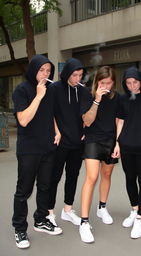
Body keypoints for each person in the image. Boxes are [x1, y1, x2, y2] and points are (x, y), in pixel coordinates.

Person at [12, 55, 62, 249]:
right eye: (42, 70)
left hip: (48, 147)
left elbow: (51, 115)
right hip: (29, 149)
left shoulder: (49, 91)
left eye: (48, 71)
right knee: (24, 191)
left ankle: (40, 220)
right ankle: (20, 228)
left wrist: (57, 131)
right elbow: (23, 119)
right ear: (33, 70)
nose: (45, 74)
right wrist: (38, 96)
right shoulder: (22, 90)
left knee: (45, 186)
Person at [114, 66, 141, 239]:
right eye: (128, 82)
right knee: (129, 179)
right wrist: (117, 143)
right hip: (126, 146)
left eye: (135, 82)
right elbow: (120, 121)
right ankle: (134, 209)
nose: (132, 86)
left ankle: (140, 218)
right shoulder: (123, 99)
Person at [79, 66, 119, 243]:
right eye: (102, 83)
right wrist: (96, 100)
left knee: (107, 174)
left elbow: (119, 120)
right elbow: (87, 121)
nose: (106, 86)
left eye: (109, 83)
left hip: (111, 140)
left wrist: (118, 142)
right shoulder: (88, 95)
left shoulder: (117, 98)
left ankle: (102, 207)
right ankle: (84, 222)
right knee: (92, 177)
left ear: (114, 83)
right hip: (93, 139)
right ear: (97, 82)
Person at [47, 58, 86, 227]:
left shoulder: (83, 91)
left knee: (73, 176)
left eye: (81, 75)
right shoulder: (54, 88)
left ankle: (68, 210)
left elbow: (87, 115)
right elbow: (50, 113)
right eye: (75, 75)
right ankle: (49, 212)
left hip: (77, 143)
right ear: (67, 73)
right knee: (54, 177)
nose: (78, 78)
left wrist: (85, 132)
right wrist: (56, 131)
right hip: (60, 142)